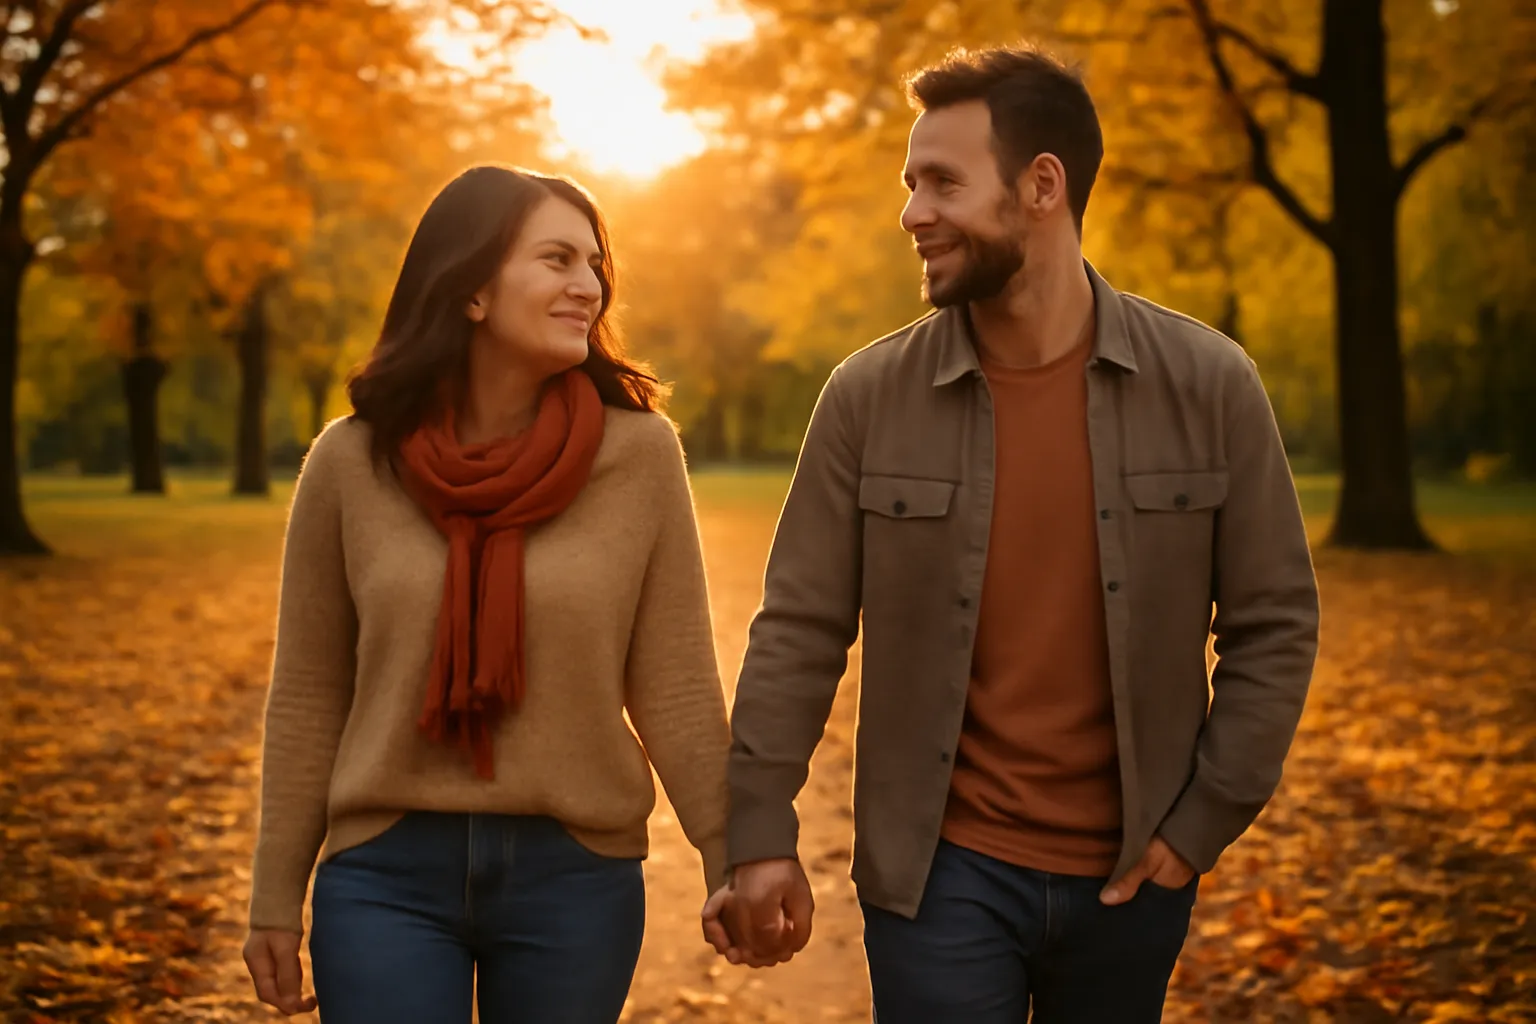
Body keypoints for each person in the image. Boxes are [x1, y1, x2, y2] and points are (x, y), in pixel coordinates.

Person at [702, 44, 1320, 1022]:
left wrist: (1201, 822)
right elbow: (799, 628)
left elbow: (1275, 622)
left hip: (1134, 876)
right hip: (938, 875)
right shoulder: (867, 397)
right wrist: (761, 828)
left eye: (942, 182)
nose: (912, 212)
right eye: (910, 184)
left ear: (1042, 186)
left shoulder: (1210, 385)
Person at [241, 165, 730, 1023]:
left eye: (594, 264)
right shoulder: (351, 463)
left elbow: (676, 685)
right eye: (557, 260)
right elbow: (311, 695)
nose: (590, 286)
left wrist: (737, 855)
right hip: (385, 871)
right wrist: (274, 899)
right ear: (470, 289)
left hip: (575, 875)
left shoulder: (640, 456)